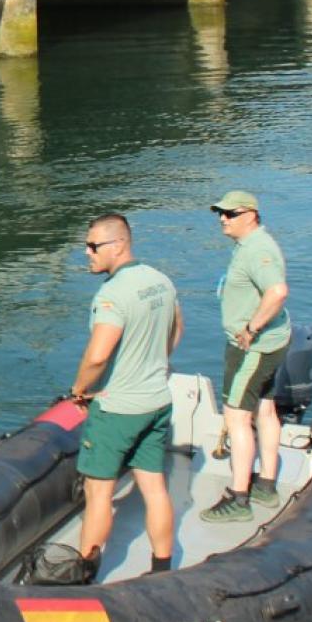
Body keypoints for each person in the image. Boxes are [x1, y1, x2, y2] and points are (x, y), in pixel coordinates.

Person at [67, 212, 182, 577]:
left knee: (98, 492)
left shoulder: (112, 294)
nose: (87, 252)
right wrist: (156, 363)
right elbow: (177, 328)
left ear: (118, 245)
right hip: (157, 401)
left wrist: (80, 388)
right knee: (153, 486)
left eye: (93, 246)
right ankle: (161, 567)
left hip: (118, 409)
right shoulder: (159, 280)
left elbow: (98, 354)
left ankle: (84, 574)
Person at [201, 190, 292, 523]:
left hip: (252, 348)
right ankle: (266, 483)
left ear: (251, 214)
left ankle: (239, 499)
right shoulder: (253, 246)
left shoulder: (257, 251)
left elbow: (278, 291)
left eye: (230, 213)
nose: (223, 219)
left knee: (238, 416)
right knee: (265, 408)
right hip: (271, 344)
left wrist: (251, 328)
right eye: (219, 214)